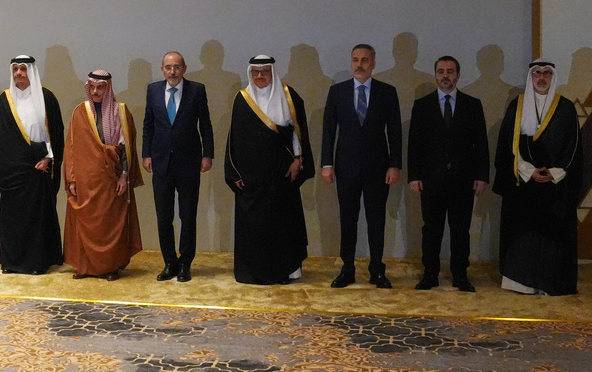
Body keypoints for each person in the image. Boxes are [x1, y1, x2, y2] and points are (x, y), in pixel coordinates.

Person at [493, 58, 582, 295]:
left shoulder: (566, 108)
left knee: (550, 239)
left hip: (555, 186)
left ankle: (548, 284)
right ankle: (521, 283)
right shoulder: (518, 105)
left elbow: (573, 147)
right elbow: (508, 146)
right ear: (531, 76)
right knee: (523, 237)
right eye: (537, 73)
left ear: (553, 77)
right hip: (523, 183)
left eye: (546, 73)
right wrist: (529, 170)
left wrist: (553, 173)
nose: (541, 78)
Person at [225, 55, 314, 285]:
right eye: (256, 72)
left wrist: (298, 160)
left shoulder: (288, 96)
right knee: (254, 226)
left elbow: (297, 133)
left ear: (272, 72)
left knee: (282, 224)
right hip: (252, 179)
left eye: (264, 71)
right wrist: (234, 172)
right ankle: (252, 272)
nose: (260, 76)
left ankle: (286, 271)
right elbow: (234, 138)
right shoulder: (242, 99)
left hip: (281, 174)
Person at [321, 43, 402, 289]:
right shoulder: (337, 92)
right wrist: (327, 164)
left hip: (378, 168)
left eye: (365, 60)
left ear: (373, 64)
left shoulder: (387, 92)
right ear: (351, 63)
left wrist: (395, 165)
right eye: (355, 60)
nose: (359, 65)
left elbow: (395, 132)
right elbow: (328, 131)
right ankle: (347, 269)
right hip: (346, 168)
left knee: (376, 220)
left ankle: (377, 270)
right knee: (348, 220)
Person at [408, 56, 489, 292]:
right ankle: (430, 275)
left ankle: (460, 275)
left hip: (463, 180)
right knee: (431, 229)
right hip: (430, 180)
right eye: (441, 71)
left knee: (460, 231)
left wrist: (482, 175)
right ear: (435, 75)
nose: (445, 76)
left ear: (458, 75)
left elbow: (481, 144)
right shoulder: (422, 105)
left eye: (450, 71)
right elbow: (414, 144)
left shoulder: (472, 105)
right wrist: (414, 176)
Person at [63, 70, 144, 280]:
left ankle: (110, 267)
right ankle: (85, 267)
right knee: (86, 224)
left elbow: (127, 148)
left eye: (100, 88)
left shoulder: (120, 112)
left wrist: (124, 175)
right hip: (85, 180)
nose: (96, 92)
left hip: (111, 179)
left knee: (110, 225)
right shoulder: (80, 112)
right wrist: (71, 178)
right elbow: (71, 147)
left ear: (108, 89)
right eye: (92, 87)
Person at [142, 51, 214, 283]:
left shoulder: (197, 90)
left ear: (184, 68)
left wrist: (207, 154)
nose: (172, 71)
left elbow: (205, 125)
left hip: (189, 162)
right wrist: (146, 154)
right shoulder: (153, 90)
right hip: (161, 162)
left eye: (176, 67)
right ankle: (169, 263)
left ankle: (185, 264)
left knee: (187, 215)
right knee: (164, 217)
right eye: (168, 67)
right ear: (162, 69)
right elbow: (148, 125)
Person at [0, 55, 65, 274]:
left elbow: (56, 133)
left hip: (38, 168)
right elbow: (2, 138)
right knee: (13, 218)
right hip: (13, 170)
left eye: (23, 69)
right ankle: (11, 262)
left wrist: (48, 158)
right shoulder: (4, 99)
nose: (18, 73)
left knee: (37, 217)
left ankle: (37, 262)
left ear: (31, 72)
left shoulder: (46, 97)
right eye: (15, 69)